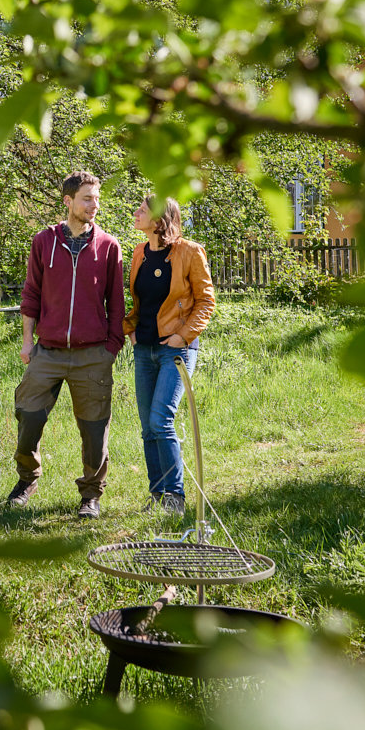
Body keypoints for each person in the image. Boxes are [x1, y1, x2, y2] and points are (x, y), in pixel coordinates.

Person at [6, 171, 125, 520]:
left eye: (97, 198)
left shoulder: (108, 246)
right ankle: (27, 480)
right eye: (87, 198)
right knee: (28, 416)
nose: (94, 205)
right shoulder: (43, 242)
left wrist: (111, 349)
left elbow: (116, 304)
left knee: (94, 429)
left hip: (93, 355)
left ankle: (91, 495)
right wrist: (28, 343)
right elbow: (31, 295)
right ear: (68, 201)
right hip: (49, 351)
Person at [123, 194, 215, 516]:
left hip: (175, 349)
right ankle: (158, 494)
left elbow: (206, 301)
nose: (136, 213)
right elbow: (138, 300)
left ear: (160, 219)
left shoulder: (190, 252)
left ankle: (175, 497)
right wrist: (130, 330)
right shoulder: (139, 253)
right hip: (144, 348)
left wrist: (183, 336)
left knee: (161, 421)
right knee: (147, 427)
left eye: (142, 210)